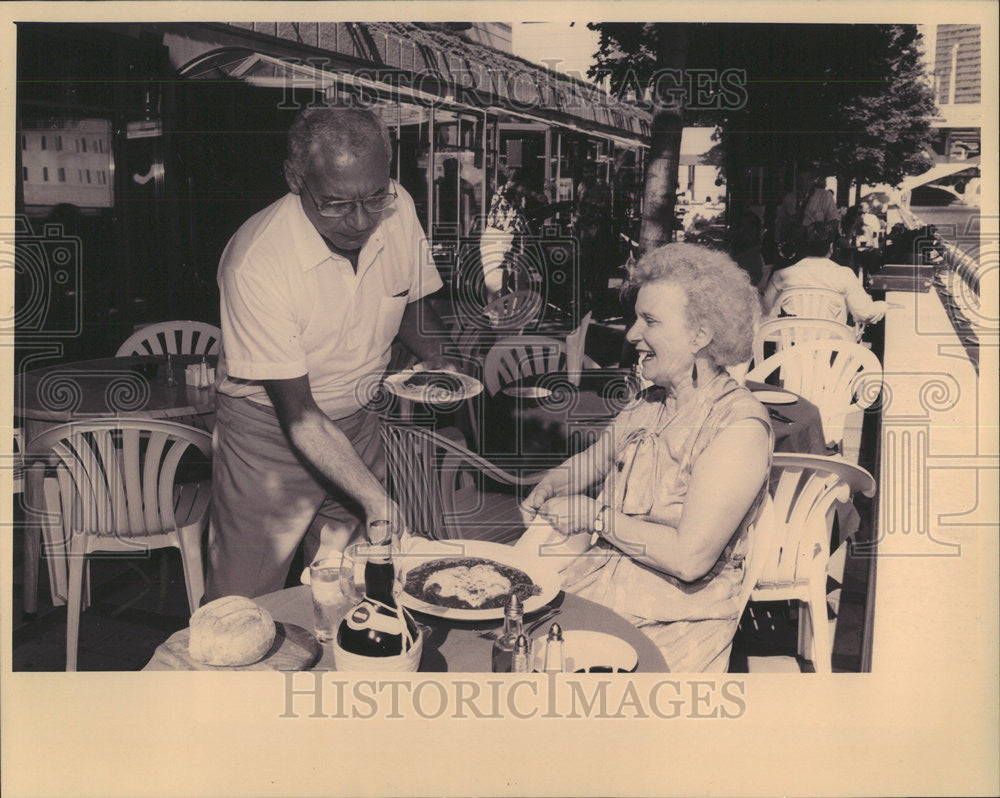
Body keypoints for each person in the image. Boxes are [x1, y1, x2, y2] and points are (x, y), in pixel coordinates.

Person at [204, 107, 454, 601]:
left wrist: (439, 357)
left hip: (358, 421)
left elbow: (406, 298)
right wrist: (376, 498)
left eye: (373, 197)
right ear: (296, 179)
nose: (361, 221)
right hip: (268, 438)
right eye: (337, 204)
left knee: (354, 588)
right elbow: (298, 415)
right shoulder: (257, 262)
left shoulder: (396, 206)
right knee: (244, 601)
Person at [519, 243, 772, 672]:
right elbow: (596, 460)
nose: (632, 334)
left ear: (700, 336)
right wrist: (552, 485)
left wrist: (595, 517)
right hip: (599, 590)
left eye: (650, 321)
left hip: (674, 621)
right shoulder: (650, 401)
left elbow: (689, 559)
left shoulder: (738, 428)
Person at [762, 221, 888, 324]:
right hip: (831, 352)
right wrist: (883, 305)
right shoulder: (844, 275)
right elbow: (865, 314)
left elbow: (764, 311)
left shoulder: (780, 275)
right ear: (832, 248)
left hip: (790, 351)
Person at [774, 169, 840, 264]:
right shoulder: (789, 198)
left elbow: (833, 222)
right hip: (795, 245)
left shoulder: (825, 196)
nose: (804, 183)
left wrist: (812, 231)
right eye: (801, 180)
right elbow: (781, 222)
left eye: (807, 179)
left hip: (815, 246)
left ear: (813, 180)